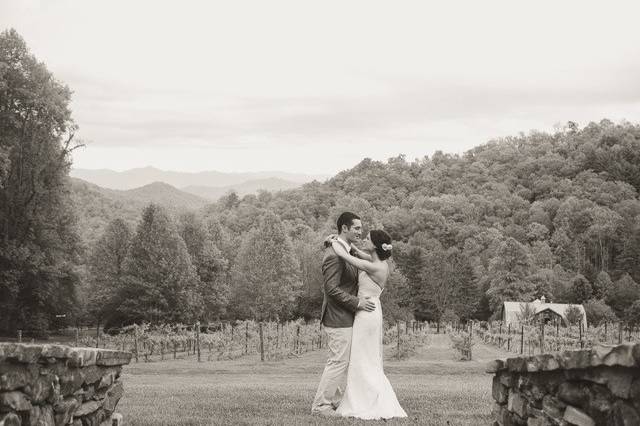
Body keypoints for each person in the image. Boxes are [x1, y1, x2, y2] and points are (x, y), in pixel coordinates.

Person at [331, 229, 407, 420]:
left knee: (362, 357)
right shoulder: (377, 261)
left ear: (374, 245)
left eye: (367, 238)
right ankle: (363, 395)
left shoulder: (376, 267)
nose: (364, 239)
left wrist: (334, 242)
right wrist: (351, 245)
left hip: (367, 313)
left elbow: (347, 257)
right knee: (365, 356)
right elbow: (356, 252)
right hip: (369, 312)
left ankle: (364, 400)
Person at [311, 212, 376, 416]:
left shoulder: (346, 251)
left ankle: (336, 402)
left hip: (346, 316)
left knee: (343, 361)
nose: (360, 231)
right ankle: (321, 406)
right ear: (344, 228)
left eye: (360, 228)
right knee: (338, 361)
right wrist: (358, 302)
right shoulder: (333, 256)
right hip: (337, 317)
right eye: (356, 228)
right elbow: (331, 289)